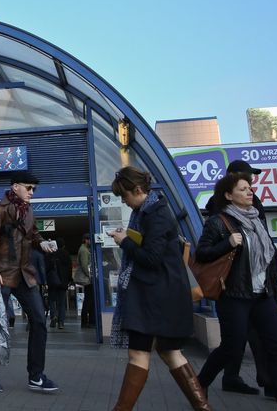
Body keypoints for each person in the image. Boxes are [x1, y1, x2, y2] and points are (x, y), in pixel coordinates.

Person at [108, 166, 210, 411]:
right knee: (170, 352)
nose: (123, 200)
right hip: (164, 295)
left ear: (138, 190)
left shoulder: (155, 214)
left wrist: (125, 241)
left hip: (152, 298)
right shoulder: (150, 211)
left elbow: (151, 258)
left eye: (125, 195)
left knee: (140, 354)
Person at [196, 172, 277, 411]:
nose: (250, 191)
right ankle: (199, 383)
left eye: (250, 188)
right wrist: (227, 244)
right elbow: (202, 254)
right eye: (243, 189)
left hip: (263, 294)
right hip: (234, 295)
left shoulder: (257, 219)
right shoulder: (218, 222)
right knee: (232, 346)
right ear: (228, 195)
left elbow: (269, 250)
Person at [0, 171, 59, 394]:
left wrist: (42, 243)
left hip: (24, 274)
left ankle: (36, 376)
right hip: (2, 275)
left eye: (34, 189)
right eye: (29, 188)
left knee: (39, 321)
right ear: (15, 187)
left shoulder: (28, 209)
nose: (32, 192)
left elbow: (32, 233)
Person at [45, 234, 71, 330]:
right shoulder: (66, 254)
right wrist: (69, 280)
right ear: (63, 245)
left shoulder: (51, 254)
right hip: (63, 282)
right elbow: (69, 268)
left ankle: (53, 317)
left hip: (52, 282)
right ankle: (61, 322)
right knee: (62, 302)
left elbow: (46, 268)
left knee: (52, 301)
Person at [74, 234, 95, 328]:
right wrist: (90, 275)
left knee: (89, 300)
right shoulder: (84, 250)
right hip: (87, 279)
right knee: (88, 300)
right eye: (90, 240)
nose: (91, 242)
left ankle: (89, 321)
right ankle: (86, 322)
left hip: (87, 278)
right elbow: (84, 265)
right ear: (86, 240)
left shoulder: (84, 249)